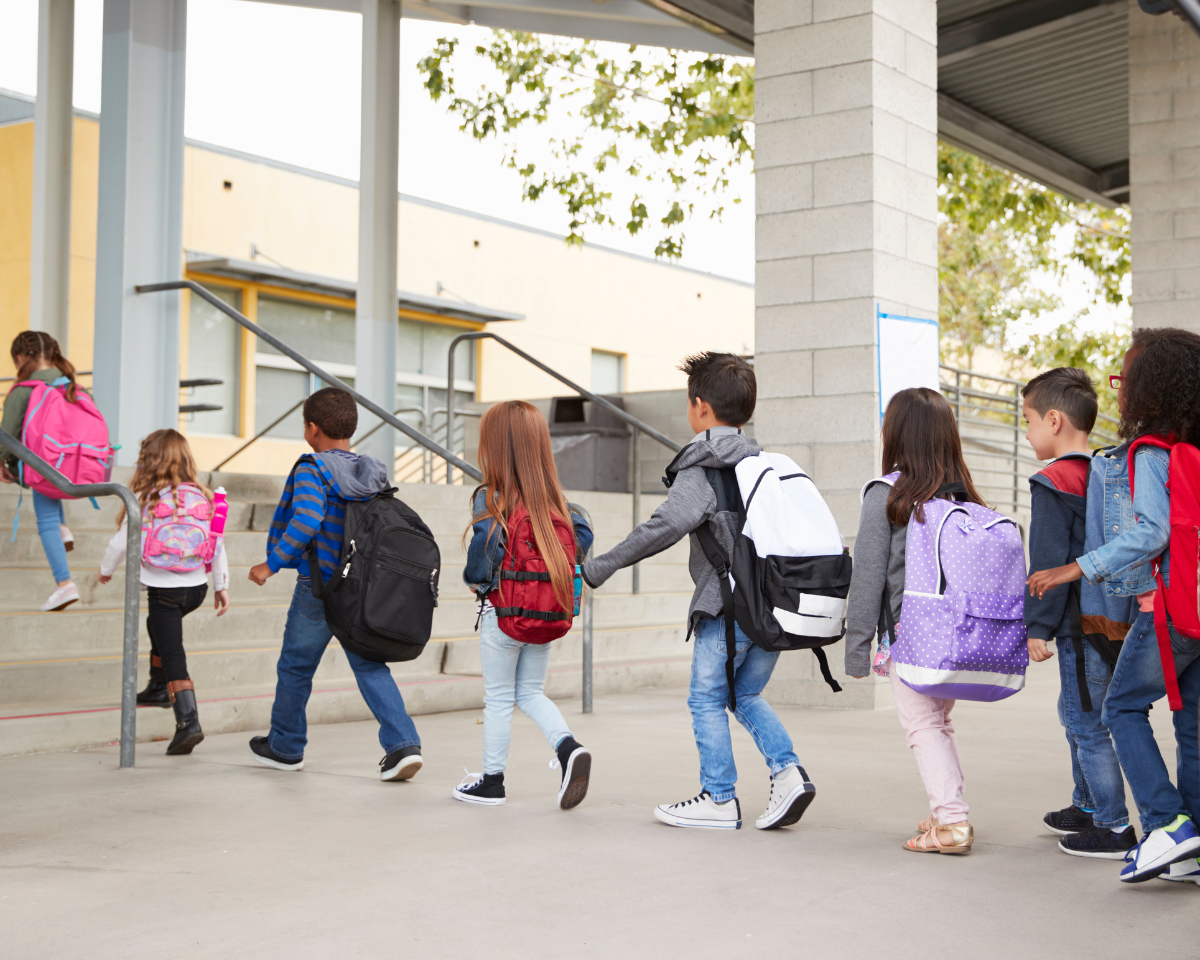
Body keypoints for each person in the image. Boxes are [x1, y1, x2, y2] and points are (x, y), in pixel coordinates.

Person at [582, 353, 814, 831]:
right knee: (744, 694)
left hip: (728, 606)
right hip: (775, 606)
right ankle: (788, 773)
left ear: (700, 407)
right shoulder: (764, 463)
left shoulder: (705, 466)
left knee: (706, 698)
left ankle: (719, 797)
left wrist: (599, 566)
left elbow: (666, 523)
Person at [1029, 328, 1200, 884]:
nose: (1119, 392)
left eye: (1125, 379)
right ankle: (1191, 841)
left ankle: (1164, 823)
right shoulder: (1193, 449)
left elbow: (1151, 531)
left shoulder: (1150, 452)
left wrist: (1077, 567)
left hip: (1173, 609)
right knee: (1192, 723)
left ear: (1150, 388)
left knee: (1120, 708)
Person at [246, 387, 424, 781]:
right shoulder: (371, 471)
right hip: (361, 588)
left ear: (312, 429)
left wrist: (271, 564)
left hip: (319, 588)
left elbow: (307, 518)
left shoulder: (313, 469)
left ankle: (286, 746)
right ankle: (403, 745)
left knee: (295, 666)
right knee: (369, 664)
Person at [845, 387, 987, 854]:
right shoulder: (964, 496)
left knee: (921, 725)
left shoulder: (886, 494)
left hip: (912, 633)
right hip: (957, 632)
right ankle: (946, 810)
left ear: (896, 434)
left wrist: (857, 647)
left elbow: (867, 577)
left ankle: (952, 823)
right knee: (938, 723)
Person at [454, 400, 595, 809]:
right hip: (545, 612)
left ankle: (492, 782)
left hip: (504, 616)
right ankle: (568, 748)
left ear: (494, 447)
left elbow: (482, 560)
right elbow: (582, 541)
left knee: (498, 698)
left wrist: (476, 582)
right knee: (531, 692)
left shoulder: (491, 498)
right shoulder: (559, 504)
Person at [1021, 368, 1134, 859]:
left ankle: (1112, 826)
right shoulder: (1105, 473)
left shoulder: (1053, 480)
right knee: (1078, 714)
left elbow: (1045, 562)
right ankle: (1085, 804)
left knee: (1087, 721)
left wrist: (1036, 628)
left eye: (1026, 421)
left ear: (1053, 419)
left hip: (1075, 622)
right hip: (1112, 617)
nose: (1025, 433)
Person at [97, 429, 230, 754]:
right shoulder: (205, 497)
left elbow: (119, 543)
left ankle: (188, 722)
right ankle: (158, 687)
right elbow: (217, 544)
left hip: (164, 590)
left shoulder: (147, 499)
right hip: (196, 587)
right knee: (155, 628)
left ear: (149, 460)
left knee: (173, 652)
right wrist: (221, 585)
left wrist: (105, 570)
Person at [0, 331, 86, 611]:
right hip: (75, 465)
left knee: (45, 519)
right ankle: (63, 529)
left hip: (41, 467)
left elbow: (6, 435)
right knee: (52, 495)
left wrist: (1, 462)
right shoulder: (74, 387)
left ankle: (64, 584)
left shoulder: (24, 390)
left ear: (21, 358)